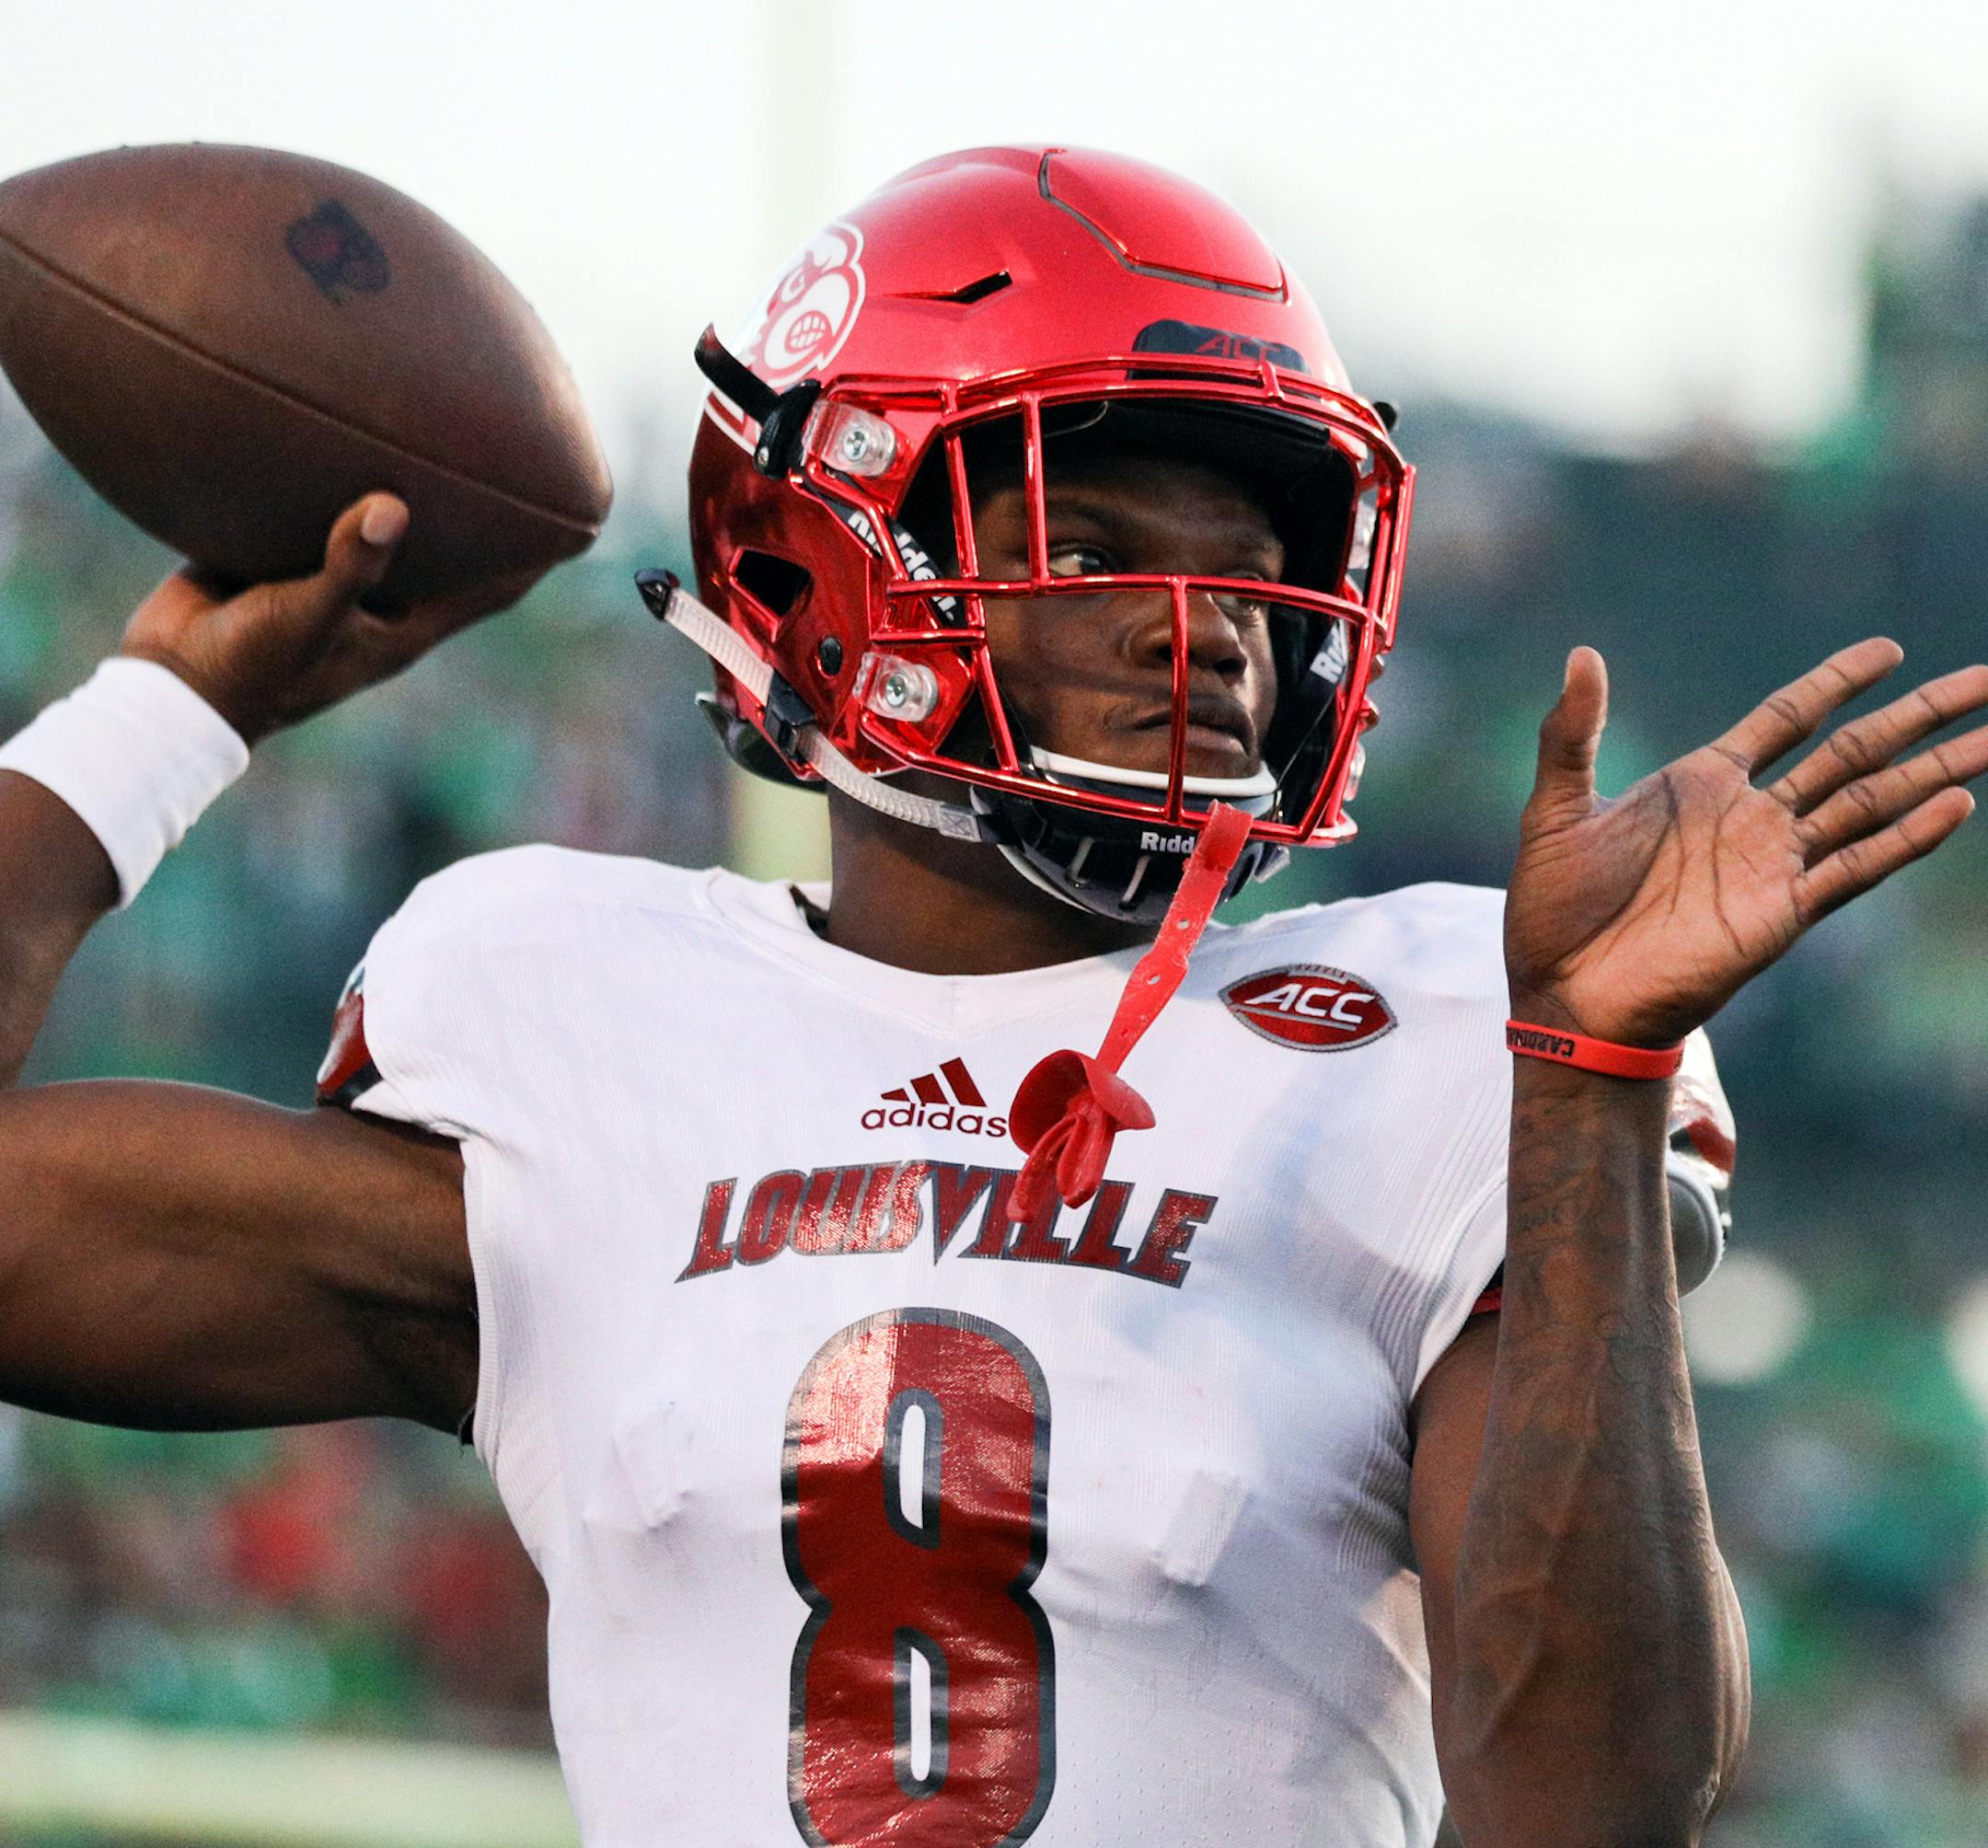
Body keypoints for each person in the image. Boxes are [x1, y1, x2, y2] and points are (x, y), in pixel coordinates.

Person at [0, 144, 1982, 1848]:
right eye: (1091, 541)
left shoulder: (1428, 1027)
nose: (1205, 627)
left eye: (1253, 564)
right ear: (822, 566)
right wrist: (164, 713)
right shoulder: (579, 1015)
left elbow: (1590, 1801)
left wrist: (1589, 1077)